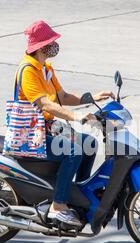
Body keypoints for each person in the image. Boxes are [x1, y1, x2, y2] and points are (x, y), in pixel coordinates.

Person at [16, 20, 115, 226]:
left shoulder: (46, 69)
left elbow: (62, 96)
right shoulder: (28, 71)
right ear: (41, 46)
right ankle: (58, 205)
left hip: (48, 129)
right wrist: (75, 117)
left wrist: (92, 98)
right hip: (30, 134)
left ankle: (77, 195)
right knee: (74, 151)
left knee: (89, 143)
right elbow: (45, 104)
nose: (55, 45)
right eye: (51, 41)